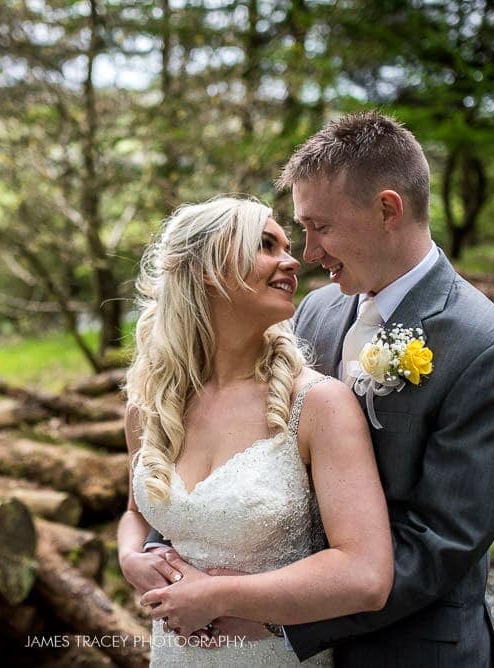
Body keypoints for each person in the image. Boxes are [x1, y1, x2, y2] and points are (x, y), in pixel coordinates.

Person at [140, 111, 494, 666]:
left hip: (407, 647)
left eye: (320, 227)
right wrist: (177, 550)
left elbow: (439, 542)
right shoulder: (317, 310)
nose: (307, 253)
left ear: (387, 209)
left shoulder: (492, 350)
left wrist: (271, 616)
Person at [117, 195, 394, 666]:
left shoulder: (317, 404)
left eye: (286, 245)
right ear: (204, 268)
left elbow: (365, 575)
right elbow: (135, 513)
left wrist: (221, 596)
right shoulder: (151, 407)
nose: (293, 260)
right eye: (266, 244)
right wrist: (130, 558)